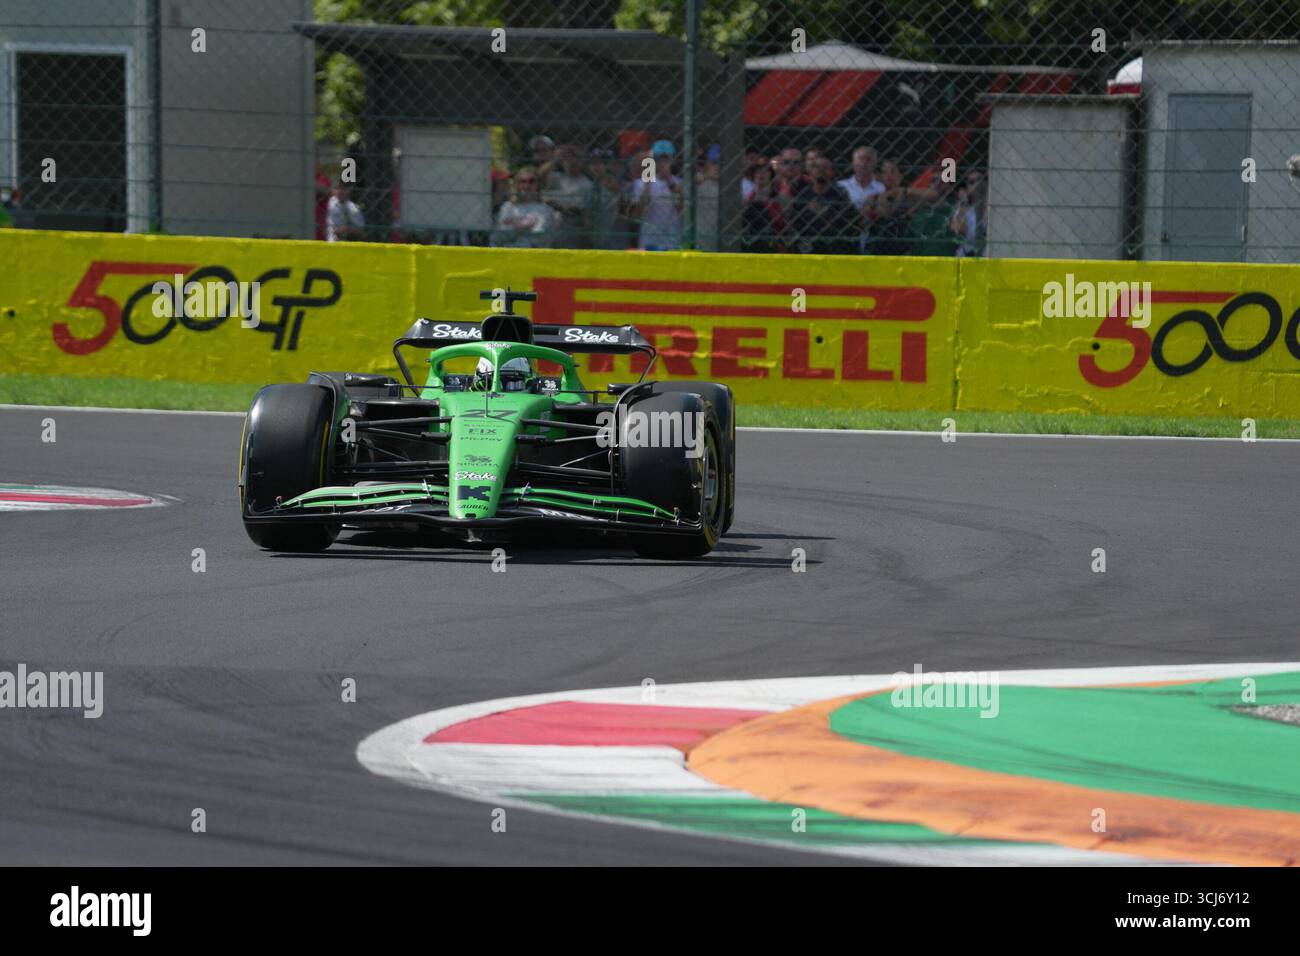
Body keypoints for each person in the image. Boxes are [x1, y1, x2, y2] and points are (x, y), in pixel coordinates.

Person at [625, 139, 682, 250]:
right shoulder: (641, 183)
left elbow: (681, 208)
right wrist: (647, 183)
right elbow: (636, 215)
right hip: (649, 242)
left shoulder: (679, 183)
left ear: (672, 159)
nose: (662, 162)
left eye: (666, 158)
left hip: (672, 242)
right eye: (658, 158)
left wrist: (669, 180)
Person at [791, 157, 856, 254]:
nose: (821, 170)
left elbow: (848, 224)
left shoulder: (841, 196)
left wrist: (825, 213)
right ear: (810, 172)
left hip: (835, 246)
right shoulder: (802, 197)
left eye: (825, 167)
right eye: (816, 167)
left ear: (832, 172)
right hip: (808, 246)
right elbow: (795, 225)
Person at [541, 142, 594, 248]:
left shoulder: (587, 183)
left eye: (576, 158)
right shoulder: (556, 177)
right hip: (550, 218)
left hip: (572, 221)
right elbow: (539, 177)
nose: (572, 162)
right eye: (568, 158)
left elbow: (586, 210)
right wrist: (555, 159)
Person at [492, 166, 558, 248]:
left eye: (531, 181)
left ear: (538, 184)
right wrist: (527, 226)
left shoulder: (546, 210)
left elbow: (538, 238)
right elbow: (499, 237)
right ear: (516, 184)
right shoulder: (507, 207)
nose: (527, 185)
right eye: (522, 181)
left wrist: (514, 226)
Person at [950, 169, 987, 257]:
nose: (976, 184)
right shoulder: (963, 207)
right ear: (967, 187)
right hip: (968, 253)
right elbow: (957, 229)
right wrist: (964, 202)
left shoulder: (993, 205)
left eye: (980, 180)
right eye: (971, 182)